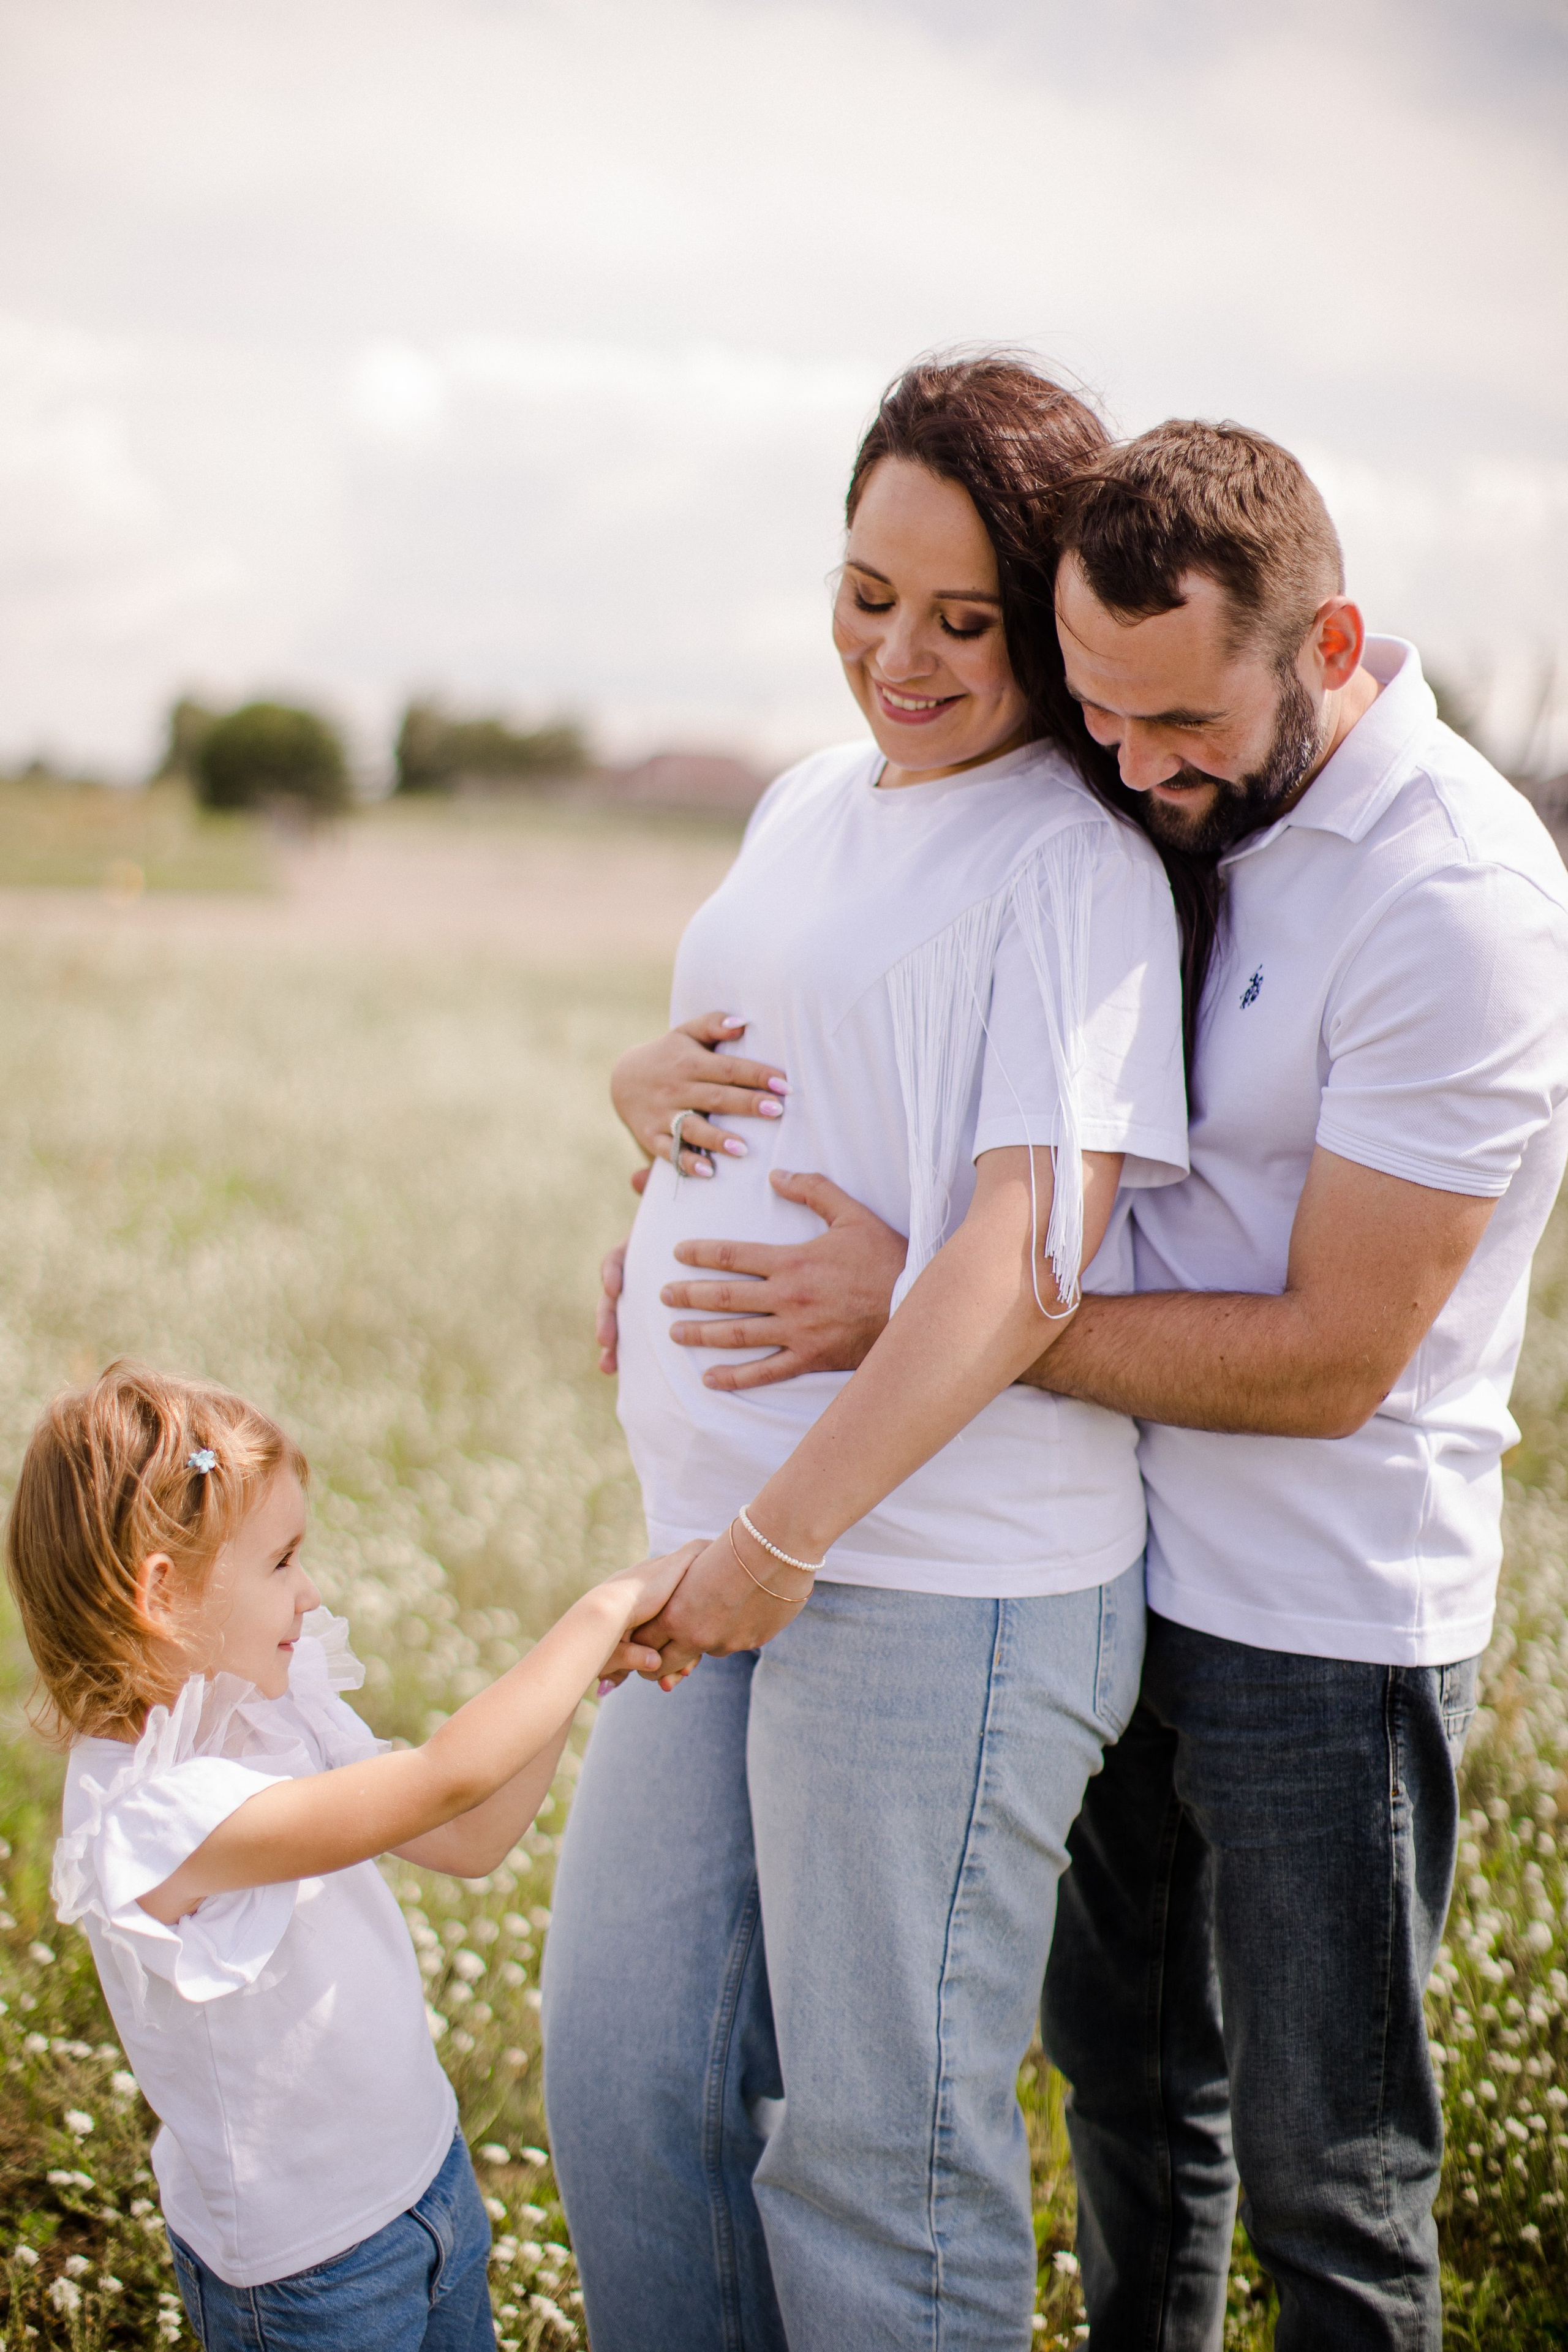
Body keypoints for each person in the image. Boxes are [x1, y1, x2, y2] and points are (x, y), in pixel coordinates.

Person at [602, 421, 1568, 2350]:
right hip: (1120, 1548)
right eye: (1099, 713)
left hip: (1324, 1615)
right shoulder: (1172, 812)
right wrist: (648, 1097)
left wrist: (926, 1312)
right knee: (1134, 2117)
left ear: (1329, 644)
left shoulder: (1454, 898)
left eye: (1177, 722)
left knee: (1329, 2183)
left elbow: (1333, 1361)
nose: (1129, 766)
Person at [542, 355, 1197, 2352]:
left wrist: (784, 1541)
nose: (899, 657)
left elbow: (1023, 1257)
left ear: (1050, 621)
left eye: (963, 621)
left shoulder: (1070, 868)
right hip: (719, 1542)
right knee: (627, 2082)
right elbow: (782, 1074)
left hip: (933, 1582)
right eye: (866, 594)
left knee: (872, 2172)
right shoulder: (807, 800)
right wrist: (648, 1139)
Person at [7, 1361, 692, 2352]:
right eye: (282, 1562)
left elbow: (468, 1836)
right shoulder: (155, 1819)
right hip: (314, 2278)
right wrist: (598, 1613)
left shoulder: (264, 1715)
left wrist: (581, 1682)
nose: (310, 1591)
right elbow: (445, 1779)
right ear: (163, 1594)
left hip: (429, 2181)